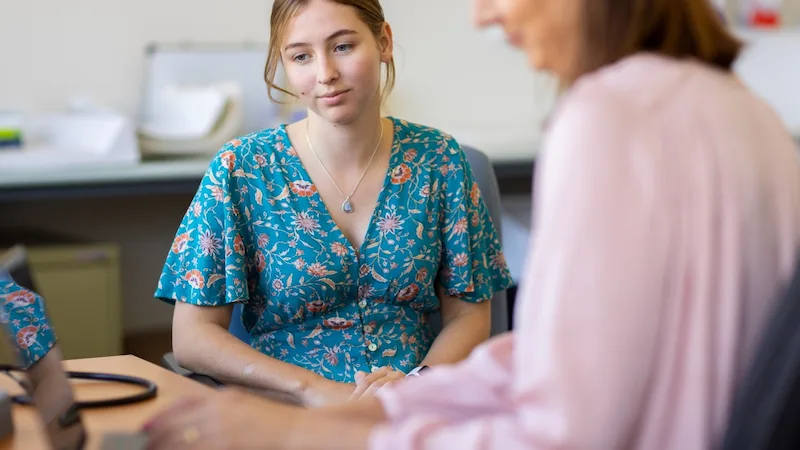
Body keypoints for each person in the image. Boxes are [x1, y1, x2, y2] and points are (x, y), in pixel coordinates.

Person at [142, 0, 800, 448]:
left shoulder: (607, 117)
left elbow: (564, 430)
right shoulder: (750, 115)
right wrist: (385, 409)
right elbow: (563, 354)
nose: (484, 14)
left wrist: (338, 434)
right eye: (302, 56)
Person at [154, 0, 513, 408]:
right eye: (301, 56)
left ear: (384, 41)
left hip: (414, 410)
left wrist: (417, 386)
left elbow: (468, 315)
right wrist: (315, 391)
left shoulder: (439, 159)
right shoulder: (241, 169)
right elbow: (192, 338)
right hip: (286, 411)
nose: (325, 74)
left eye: (342, 46)